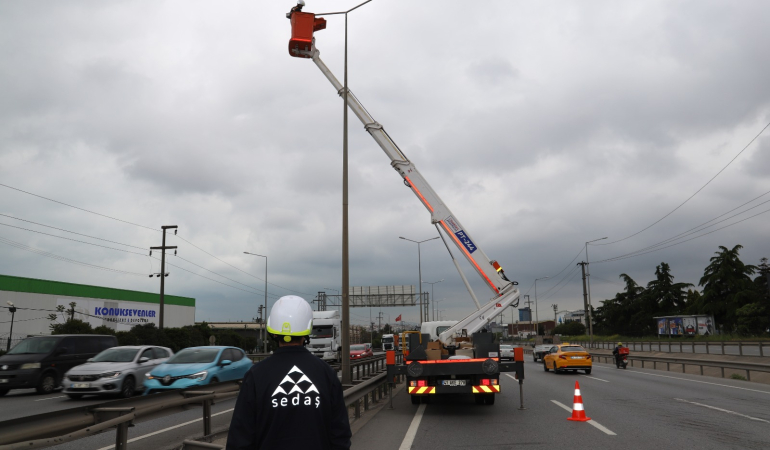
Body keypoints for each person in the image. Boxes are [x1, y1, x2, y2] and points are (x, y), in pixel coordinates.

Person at [226, 295, 351, 450]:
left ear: (273, 330)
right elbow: (340, 435)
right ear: (308, 328)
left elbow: (240, 439)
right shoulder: (326, 373)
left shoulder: (256, 376)